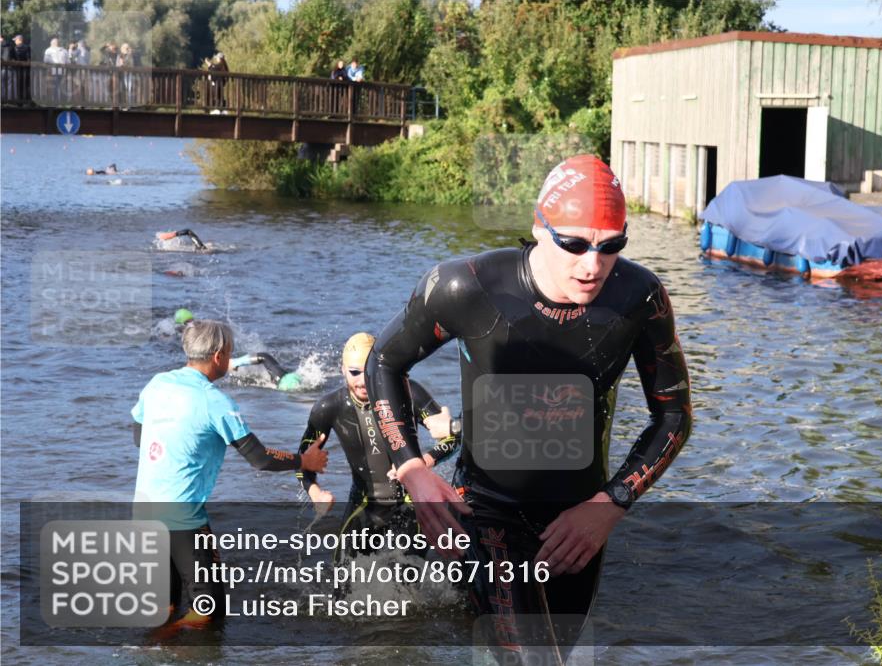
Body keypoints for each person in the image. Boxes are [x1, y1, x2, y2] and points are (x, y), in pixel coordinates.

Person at [366, 154, 692, 662]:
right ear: (540, 229)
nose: (593, 265)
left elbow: (672, 416)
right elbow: (384, 362)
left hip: (580, 518)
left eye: (611, 246)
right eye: (575, 244)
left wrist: (610, 505)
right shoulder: (466, 287)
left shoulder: (639, 298)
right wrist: (412, 469)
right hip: (486, 507)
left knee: (560, 654)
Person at [132, 320, 329, 627]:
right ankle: (158, 648)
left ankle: (153, 649)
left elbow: (139, 436)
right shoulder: (216, 402)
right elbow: (261, 459)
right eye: (231, 352)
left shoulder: (157, 383)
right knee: (209, 610)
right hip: (183, 519)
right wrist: (304, 462)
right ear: (219, 356)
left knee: (163, 606)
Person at [298, 332, 461, 559]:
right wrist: (314, 491)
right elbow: (303, 459)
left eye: (368, 372)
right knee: (341, 581)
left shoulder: (408, 392)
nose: (363, 381)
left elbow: (453, 438)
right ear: (342, 370)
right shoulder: (328, 407)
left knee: (407, 578)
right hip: (363, 504)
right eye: (354, 373)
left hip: (410, 501)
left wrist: (424, 461)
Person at [43, 37, 68, 104]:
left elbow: (45, 61)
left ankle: (56, 101)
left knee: (56, 86)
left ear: (52, 43)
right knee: (60, 85)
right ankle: (62, 101)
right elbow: (68, 62)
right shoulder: (64, 51)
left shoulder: (49, 50)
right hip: (60, 71)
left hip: (54, 71)